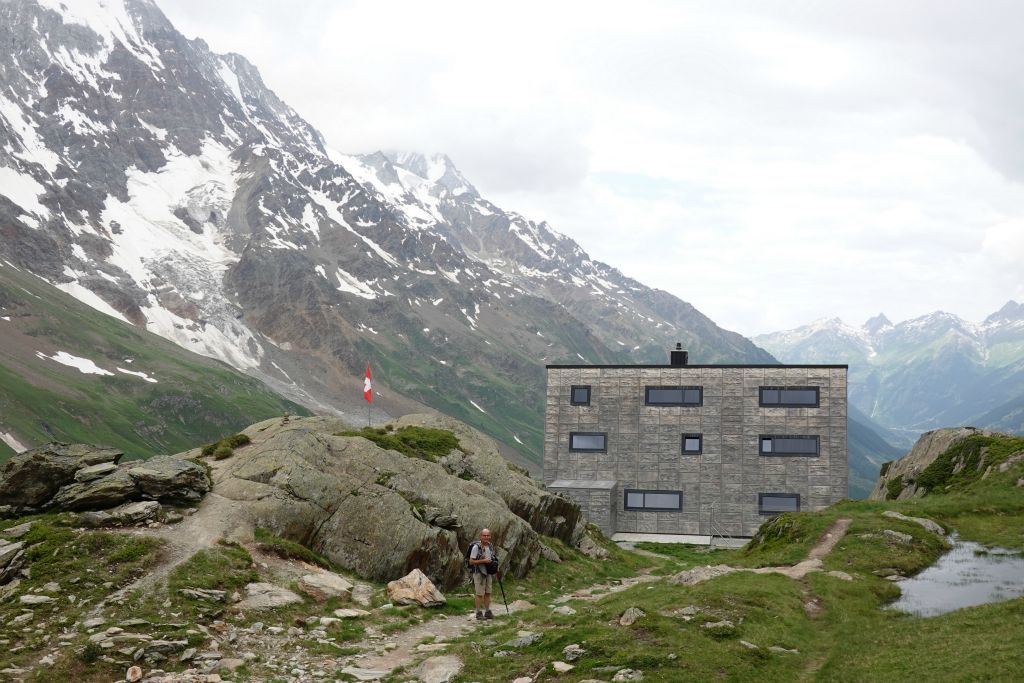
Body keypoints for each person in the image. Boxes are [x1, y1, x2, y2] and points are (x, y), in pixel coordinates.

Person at [468, 528, 499, 620]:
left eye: (488, 535)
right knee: (479, 593)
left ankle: (487, 611)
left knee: (488, 592)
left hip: (488, 572)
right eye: (484, 535)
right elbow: (471, 561)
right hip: (478, 572)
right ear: (481, 536)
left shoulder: (490, 545)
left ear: (490, 536)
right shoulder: (476, 547)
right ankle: (478, 612)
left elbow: (492, 557)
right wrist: (483, 560)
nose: (486, 537)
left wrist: (495, 565)